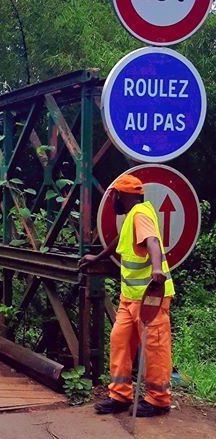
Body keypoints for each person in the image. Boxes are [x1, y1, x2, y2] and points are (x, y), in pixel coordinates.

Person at [79, 173, 174, 417]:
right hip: (129, 297)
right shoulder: (132, 216)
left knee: (154, 347)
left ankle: (158, 400)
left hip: (150, 298)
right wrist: (97, 257)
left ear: (123, 196)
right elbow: (120, 243)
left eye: (115, 196)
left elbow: (152, 240)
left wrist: (156, 268)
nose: (114, 201)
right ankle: (120, 395)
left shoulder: (141, 214)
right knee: (120, 341)